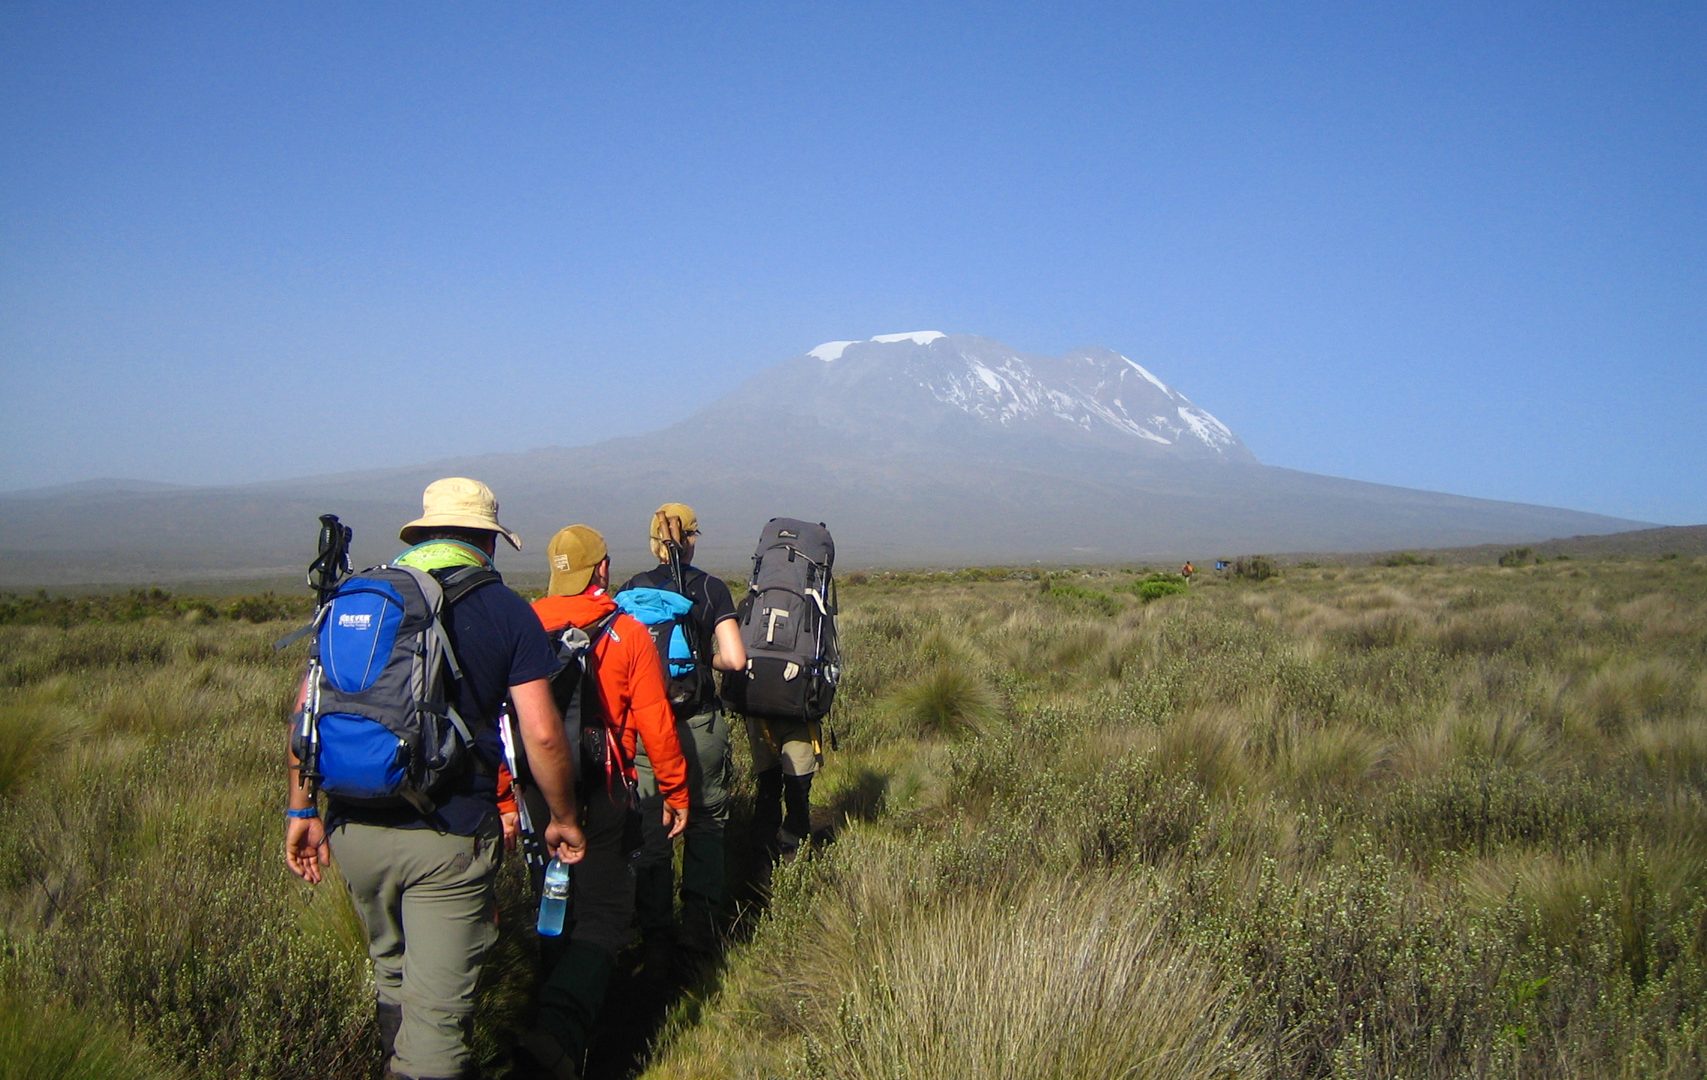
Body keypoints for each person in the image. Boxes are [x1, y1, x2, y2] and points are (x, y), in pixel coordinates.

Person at [285, 477, 586, 1080]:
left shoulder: (359, 598)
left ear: (421, 533)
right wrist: (563, 818)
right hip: (445, 837)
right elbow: (544, 734)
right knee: (439, 1030)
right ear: (489, 542)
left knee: (391, 973)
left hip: (352, 828)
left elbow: (306, 713)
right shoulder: (505, 610)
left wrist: (300, 811)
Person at [516, 524, 691, 1079]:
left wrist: (503, 794)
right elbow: (656, 721)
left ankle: (549, 994)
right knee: (607, 909)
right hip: (607, 788)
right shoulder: (627, 631)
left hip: (537, 789)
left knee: (553, 892)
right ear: (604, 569)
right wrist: (675, 789)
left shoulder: (524, 625)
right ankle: (561, 1030)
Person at [618, 502, 746, 971]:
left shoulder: (632, 589)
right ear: (691, 538)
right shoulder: (711, 588)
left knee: (651, 824)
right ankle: (701, 926)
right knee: (707, 821)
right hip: (700, 723)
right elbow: (734, 659)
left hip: (647, 731)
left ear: (653, 541)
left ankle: (654, 933)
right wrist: (702, 661)